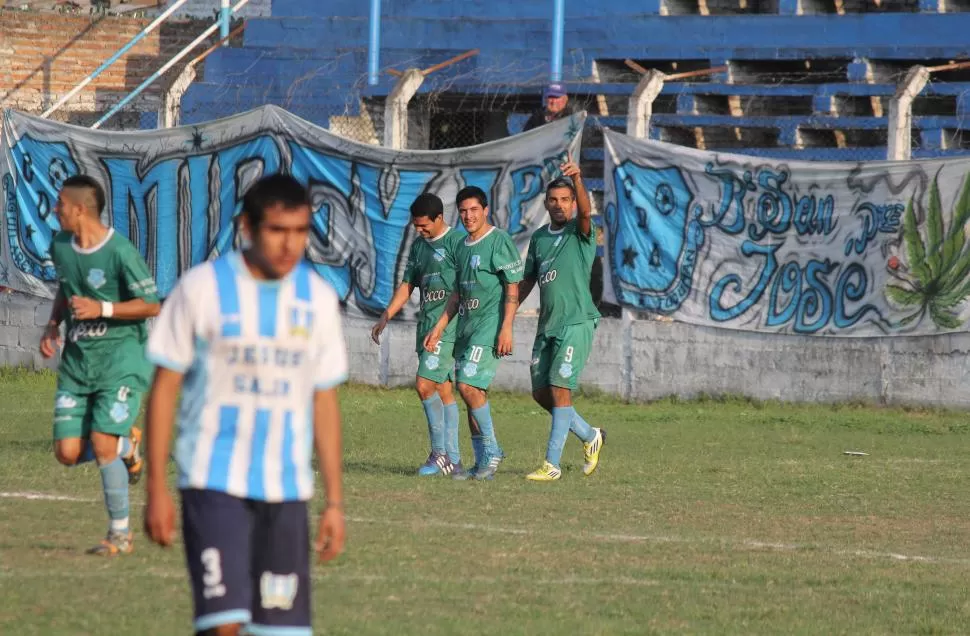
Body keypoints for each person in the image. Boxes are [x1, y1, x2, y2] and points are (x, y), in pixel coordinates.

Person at [143, 173, 348, 636]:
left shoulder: (316, 299)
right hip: (213, 479)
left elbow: (324, 401)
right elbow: (164, 390)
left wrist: (334, 502)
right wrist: (155, 485)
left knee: (279, 631)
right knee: (225, 626)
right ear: (247, 228)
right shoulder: (200, 289)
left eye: (300, 231)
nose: (290, 244)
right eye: (278, 230)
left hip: (287, 489)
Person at [39, 174, 158, 555]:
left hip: (120, 359)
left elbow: (151, 304)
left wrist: (102, 308)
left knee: (102, 443)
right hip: (78, 363)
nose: (55, 210)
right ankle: (129, 444)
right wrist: (53, 323)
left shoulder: (120, 251)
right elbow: (66, 284)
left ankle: (119, 536)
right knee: (67, 453)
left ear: (79, 209)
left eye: (60, 204)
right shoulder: (60, 245)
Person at [424, 186, 524, 481]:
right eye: (464, 211)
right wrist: (439, 329)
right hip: (466, 328)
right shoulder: (462, 246)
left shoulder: (498, 241)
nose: (468, 216)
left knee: (467, 386)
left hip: (488, 327)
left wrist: (506, 328)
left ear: (485, 210)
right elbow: (457, 293)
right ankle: (482, 466)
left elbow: (512, 287)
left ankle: (492, 450)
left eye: (474, 210)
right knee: (473, 394)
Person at [517, 160, 606, 481]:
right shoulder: (540, 238)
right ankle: (589, 435)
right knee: (541, 394)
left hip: (576, 322)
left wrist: (578, 178)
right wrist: (507, 312)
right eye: (553, 200)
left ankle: (551, 465)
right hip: (548, 325)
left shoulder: (581, 231)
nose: (559, 205)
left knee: (559, 389)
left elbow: (586, 214)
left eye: (565, 200)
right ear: (546, 203)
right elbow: (527, 280)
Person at [371, 193, 465, 477]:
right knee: (444, 391)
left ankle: (439, 454)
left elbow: (466, 287)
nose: (420, 231)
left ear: (439, 218)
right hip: (426, 327)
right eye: (416, 226)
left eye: (424, 226)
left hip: (448, 327)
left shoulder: (458, 243)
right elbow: (407, 285)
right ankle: (454, 460)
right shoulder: (418, 247)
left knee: (424, 385)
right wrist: (387, 314)